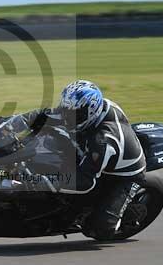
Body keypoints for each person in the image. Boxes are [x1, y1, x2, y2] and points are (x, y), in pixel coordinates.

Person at [18, 79, 146, 193]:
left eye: (74, 115)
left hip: (124, 176)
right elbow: (47, 116)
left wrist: (42, 182)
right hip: (91, 147)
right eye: (66, 111)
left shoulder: (102, 140)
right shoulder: (84, 109)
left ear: (90, 112)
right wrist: (13, 123)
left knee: (104, 220)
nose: (67, 118)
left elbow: (84, 182)